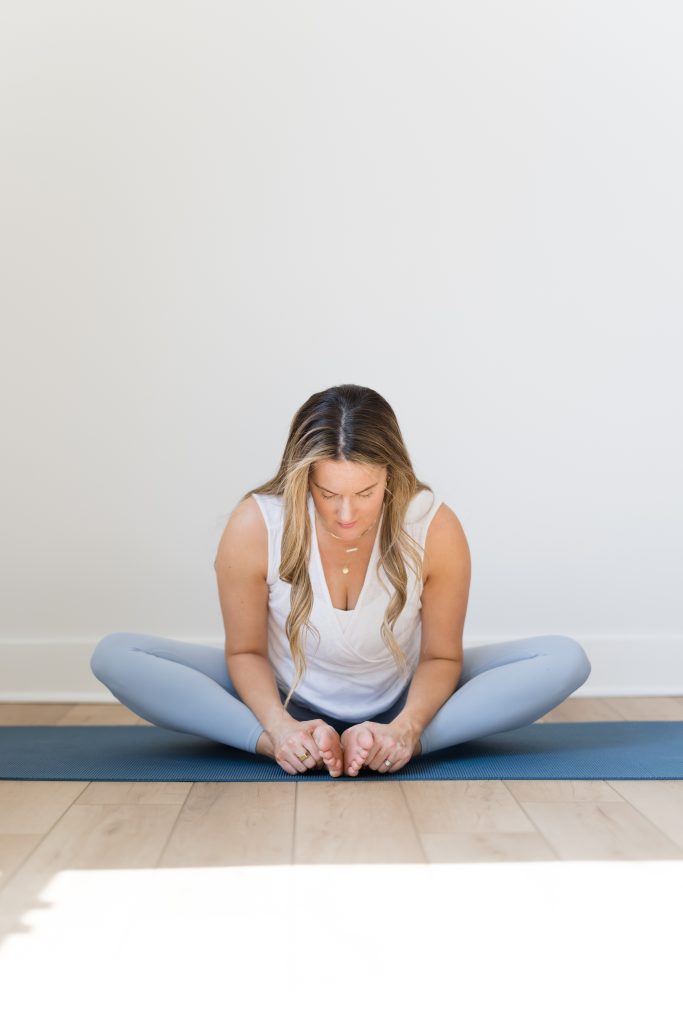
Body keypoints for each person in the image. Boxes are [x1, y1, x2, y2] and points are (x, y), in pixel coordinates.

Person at [90, 383, 592, 777]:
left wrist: (406, 728)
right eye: (327, 493)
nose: (346, 514)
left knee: (565, 659)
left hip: (405, 695)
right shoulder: (256, 523)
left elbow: (441, 657)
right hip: (283, 691)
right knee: (115, 654)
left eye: (365, 492)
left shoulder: (433, 525)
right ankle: (277, 746)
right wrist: (280, 728)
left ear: (391, 477)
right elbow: (244, 653)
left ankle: (396, 746)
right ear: (302, 478)